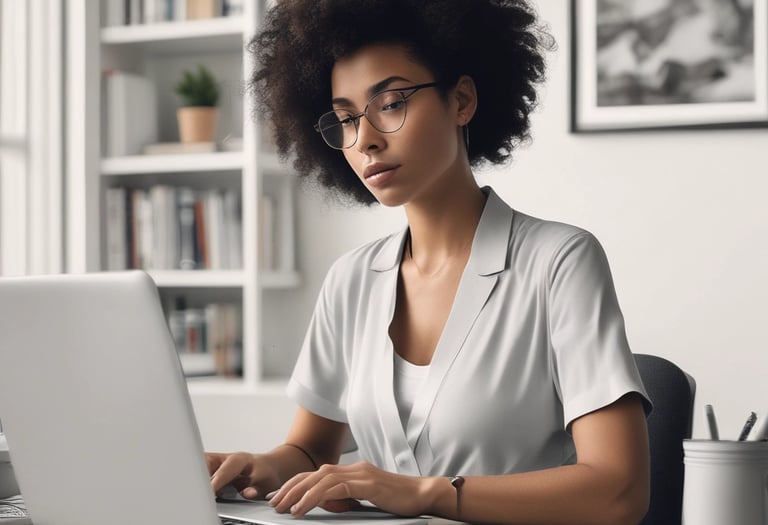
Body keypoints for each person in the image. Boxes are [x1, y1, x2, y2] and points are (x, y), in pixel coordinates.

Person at [207, 1, 652, 524]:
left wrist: (427, 493)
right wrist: (260, 468)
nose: (365, 140)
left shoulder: (558, 262)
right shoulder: (351, 280)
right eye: (346, 119)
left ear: (461, 100)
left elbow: (619, 492)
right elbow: (310, 449)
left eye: (391, 103)